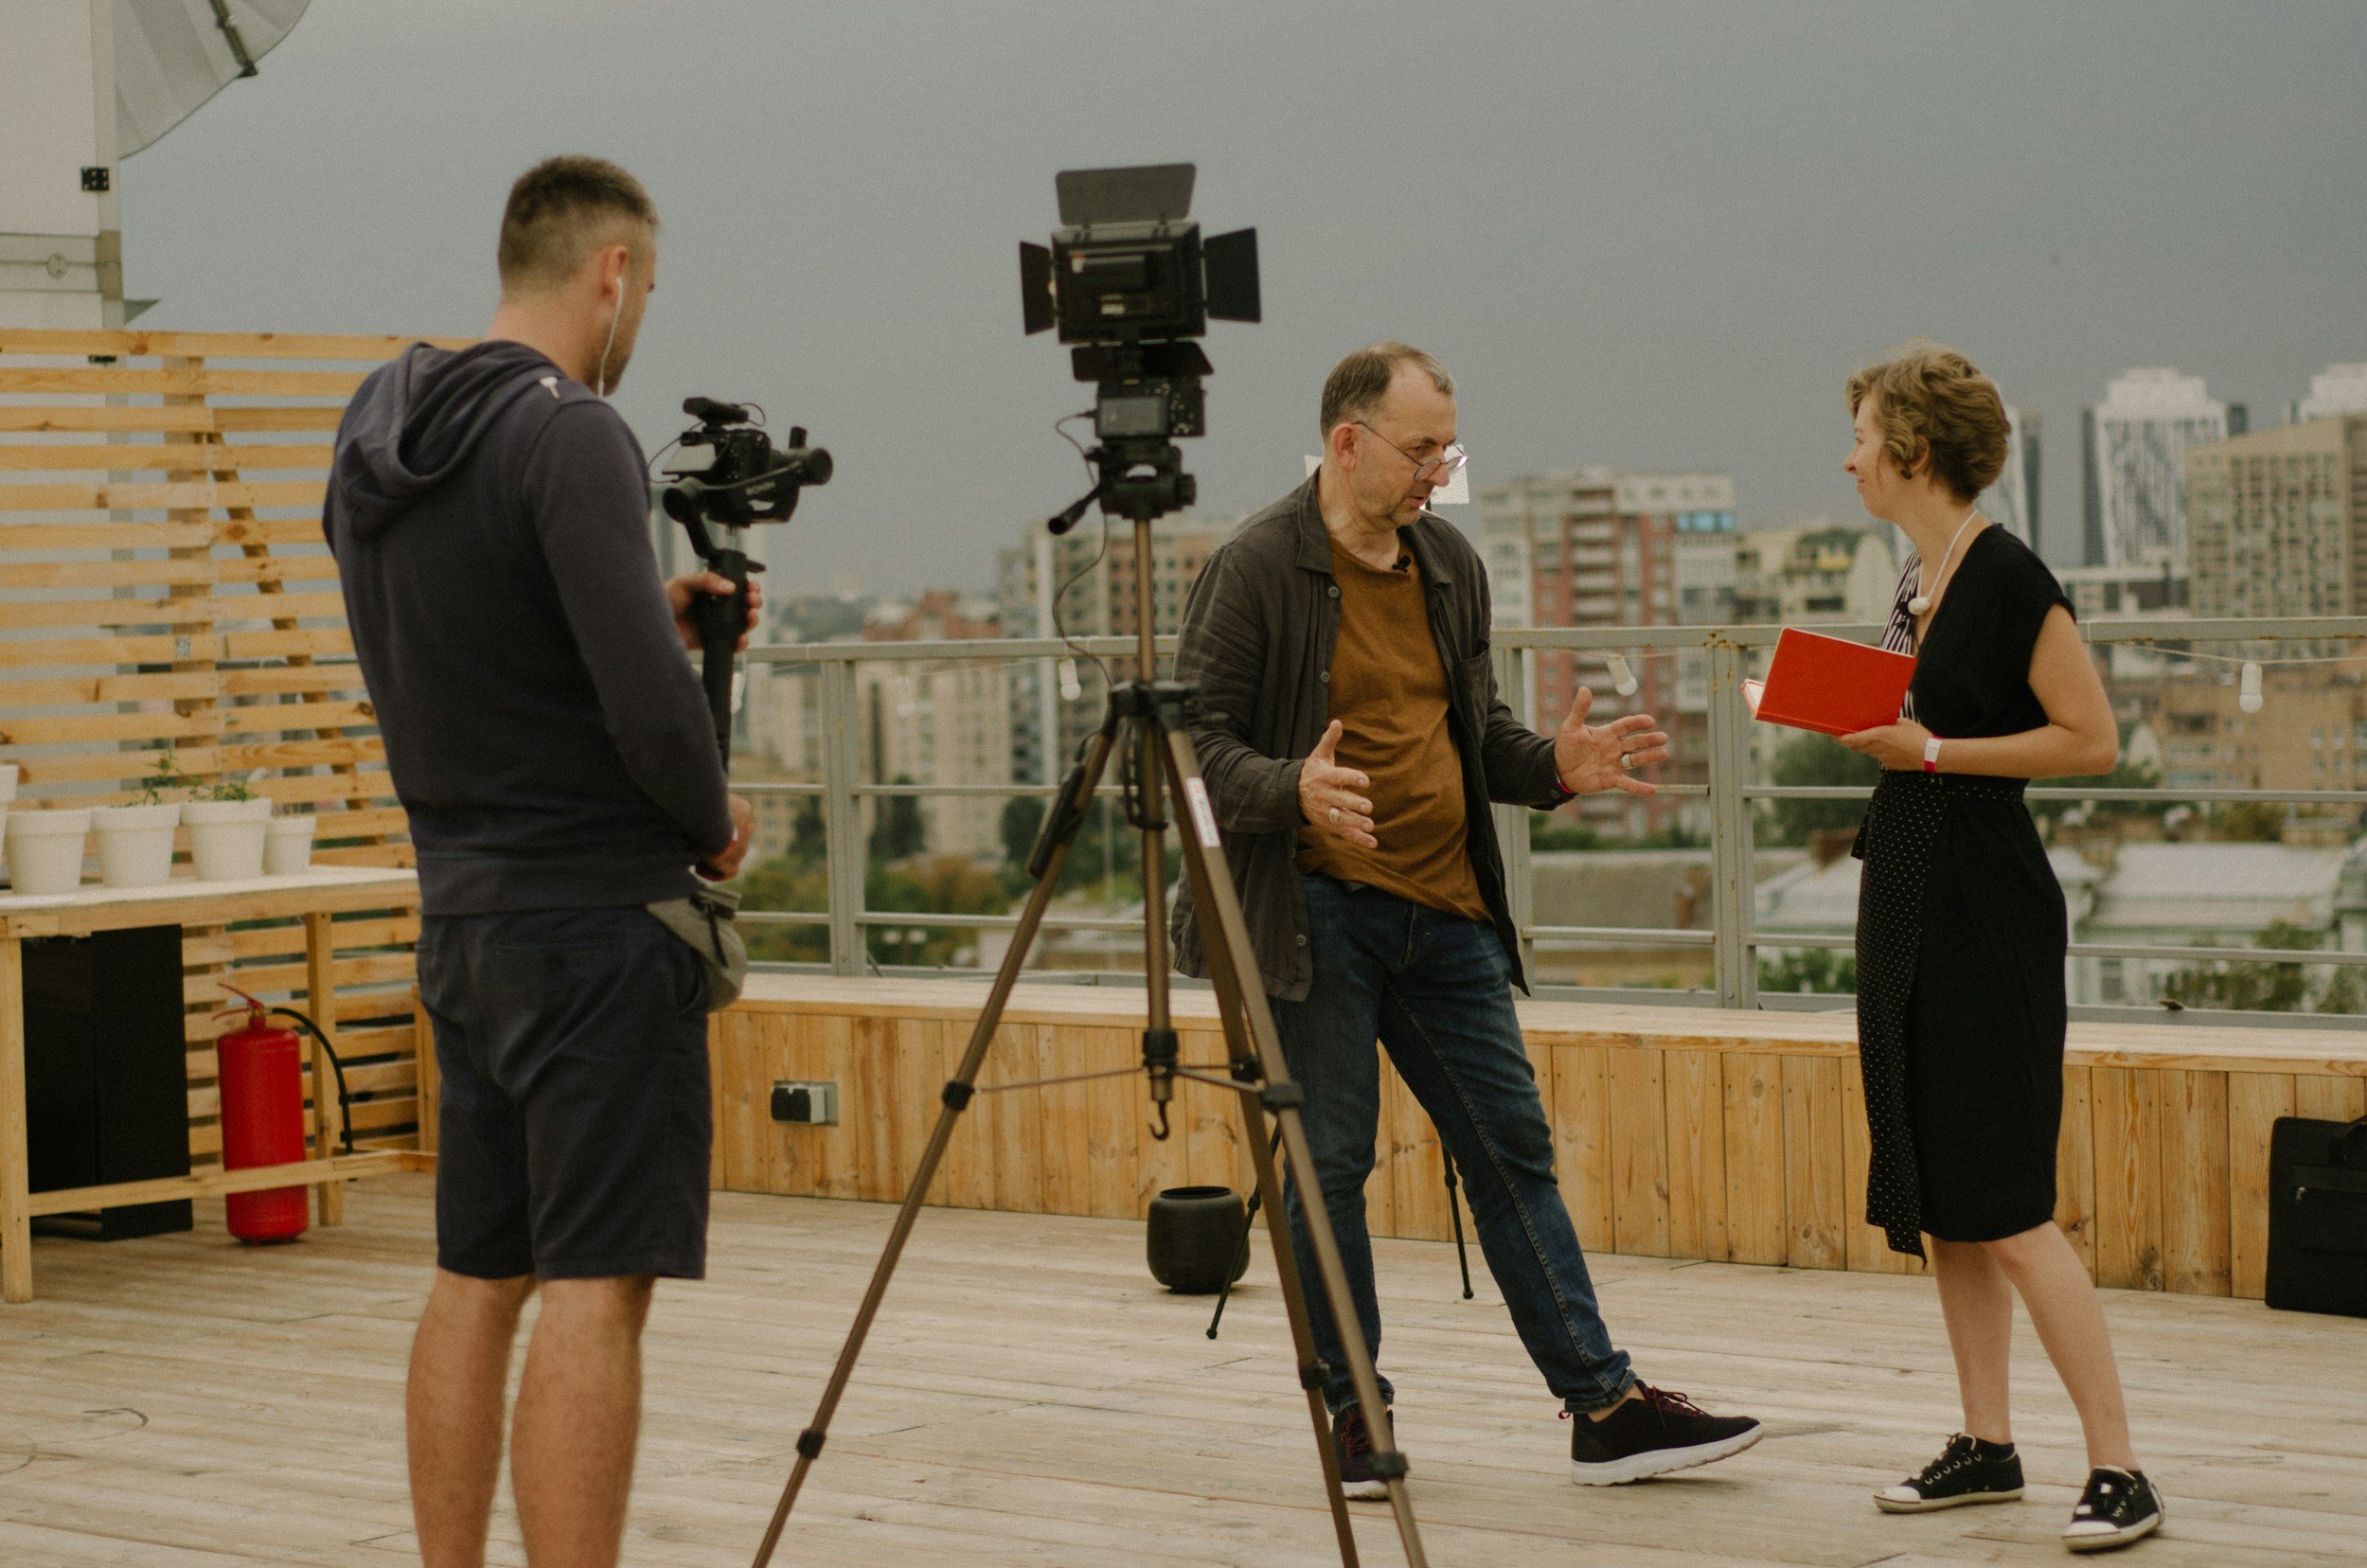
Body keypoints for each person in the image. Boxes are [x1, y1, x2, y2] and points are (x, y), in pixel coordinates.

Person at [1170, 341, 1763, 1497]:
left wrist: (1557, 766)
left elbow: (1473, 736)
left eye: (1449, 445)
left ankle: (1605, 1407)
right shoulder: (1252, 567)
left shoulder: (1447, 563)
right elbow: (1191, 748)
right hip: (1312, 916)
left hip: (1444, 917)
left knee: (1514, 1154)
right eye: (1421, 447)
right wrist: (1290, 787)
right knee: (1327, 1166)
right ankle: (1354, 1415)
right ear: (1347, 444)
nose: (1439, 469)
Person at [325, 156, 756, 1568]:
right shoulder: (571, 434)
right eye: (644, 292)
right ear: (612, 275)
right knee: (592, 1292)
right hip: (595, 928)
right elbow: (644, 713)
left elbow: (480, 639)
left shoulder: (378, 427)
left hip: (466, 923)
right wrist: (709, 819)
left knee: (475, 1275)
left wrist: (651, 609)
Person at [1836, 341, 2162, 1554]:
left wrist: (1926, 751)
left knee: (2012, 1200)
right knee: (1946, 1198)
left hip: (1981, 909)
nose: (1849, 454)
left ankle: (2120, 1467)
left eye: (1864, 434)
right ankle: (1986, 1443)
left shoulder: (2009, 574)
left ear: (1913, 451)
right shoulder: (1919, 573)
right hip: (1908, 895)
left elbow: (2091, 741)